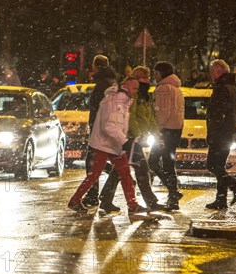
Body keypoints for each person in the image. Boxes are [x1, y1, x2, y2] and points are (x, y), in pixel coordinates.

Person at [67, 77, 149, 218]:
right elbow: (109, 125)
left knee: (123, 174)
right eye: (134, 88)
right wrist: (124, 141)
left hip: (112, 143)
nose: (136, 91)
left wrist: (123, 140)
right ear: (126, 86)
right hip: (104, 144)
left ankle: (132, 205)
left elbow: (115, 125)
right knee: (101, 174)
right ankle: (75, 200)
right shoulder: (116, 100)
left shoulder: (120, 100)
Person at [98, 66, 166, 212]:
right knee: (141, 169)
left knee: (120, 170)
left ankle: (106, 199)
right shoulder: (133, 97)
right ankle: (149, 202)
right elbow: (132, 118)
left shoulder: (144, 96)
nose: (147, 81)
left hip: (133, 138)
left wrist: (157, 134)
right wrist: (137, 135)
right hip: (129, 138)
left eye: (148, 78)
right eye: (144, 78)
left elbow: (150, 118)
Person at [204, 59, 236, 209]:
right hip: (228, 133)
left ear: (219, 71)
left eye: (213, 71)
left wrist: (212, 134)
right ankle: (221, 199)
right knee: (219, 165)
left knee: (213, 165)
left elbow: (218, 114)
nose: (211, 74)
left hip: (221, 135)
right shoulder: (231, 88)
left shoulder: (222, 89)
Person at [81, 54, 117, 208]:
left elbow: (99, 108)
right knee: (103, 161)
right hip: (106, 128)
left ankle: (93, 194)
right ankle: (98, 194)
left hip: (100, 129)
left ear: (96, 66)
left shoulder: (102, 84)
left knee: (92, 162)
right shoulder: (110, 82)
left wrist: (96, 126)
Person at [148, 61, 184, 211]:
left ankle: (174, 192)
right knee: (169, 163)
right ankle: (174, 199)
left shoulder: (163, 88)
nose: (155, 77)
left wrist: (157, 129)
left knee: (153, 162)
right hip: (176, 129)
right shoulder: (176, 88)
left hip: (165, 131)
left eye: (156, 73)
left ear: (162, 73)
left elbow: (162, 113)